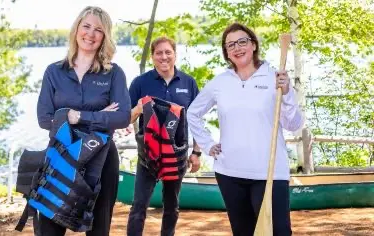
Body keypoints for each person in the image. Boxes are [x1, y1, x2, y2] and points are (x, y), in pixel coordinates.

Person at [187, 22, 303, 236]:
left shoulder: (274, 78)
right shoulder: (221, 82)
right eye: (230, 45)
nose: (237, 48)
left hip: (269, 173)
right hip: (229, 172)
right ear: (226, 52)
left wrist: (286, 93)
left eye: (242, 42)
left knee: (279, 232)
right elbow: (192, 113)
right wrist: (207, 145)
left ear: (253, 45)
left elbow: (294, 125)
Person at [36, 6, 131, 235]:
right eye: (86, 26)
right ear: (76, 29)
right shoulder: (54, 72)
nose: (90, 34)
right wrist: (101, 117)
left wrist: (77, 116)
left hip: (102, 158)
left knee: (98, 229)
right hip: (61, 157)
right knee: (49, 227)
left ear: (105, 37)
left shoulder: (113, 73)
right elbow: (44, 119)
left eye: (98, 30)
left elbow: (122, 116)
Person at [127, 36, 201, 236]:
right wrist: (138, 110)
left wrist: (196, 153)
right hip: (148, 156)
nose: (164, 57)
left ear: (175, 55)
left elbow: (197, 121)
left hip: (175, 156)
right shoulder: (140, 83)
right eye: (158, 53)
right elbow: (126, 119)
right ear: (152, 57)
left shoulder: (189, 82)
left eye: (168, 52)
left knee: (172, 207)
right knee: (138, 206)